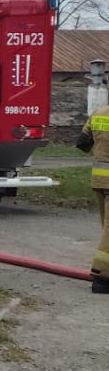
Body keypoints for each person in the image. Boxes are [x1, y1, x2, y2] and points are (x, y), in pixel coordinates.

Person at [76, 104, 109, 292]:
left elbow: (82, 143)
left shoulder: (98, 113)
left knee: (106, 228)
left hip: (99, 180)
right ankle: (102, 276)